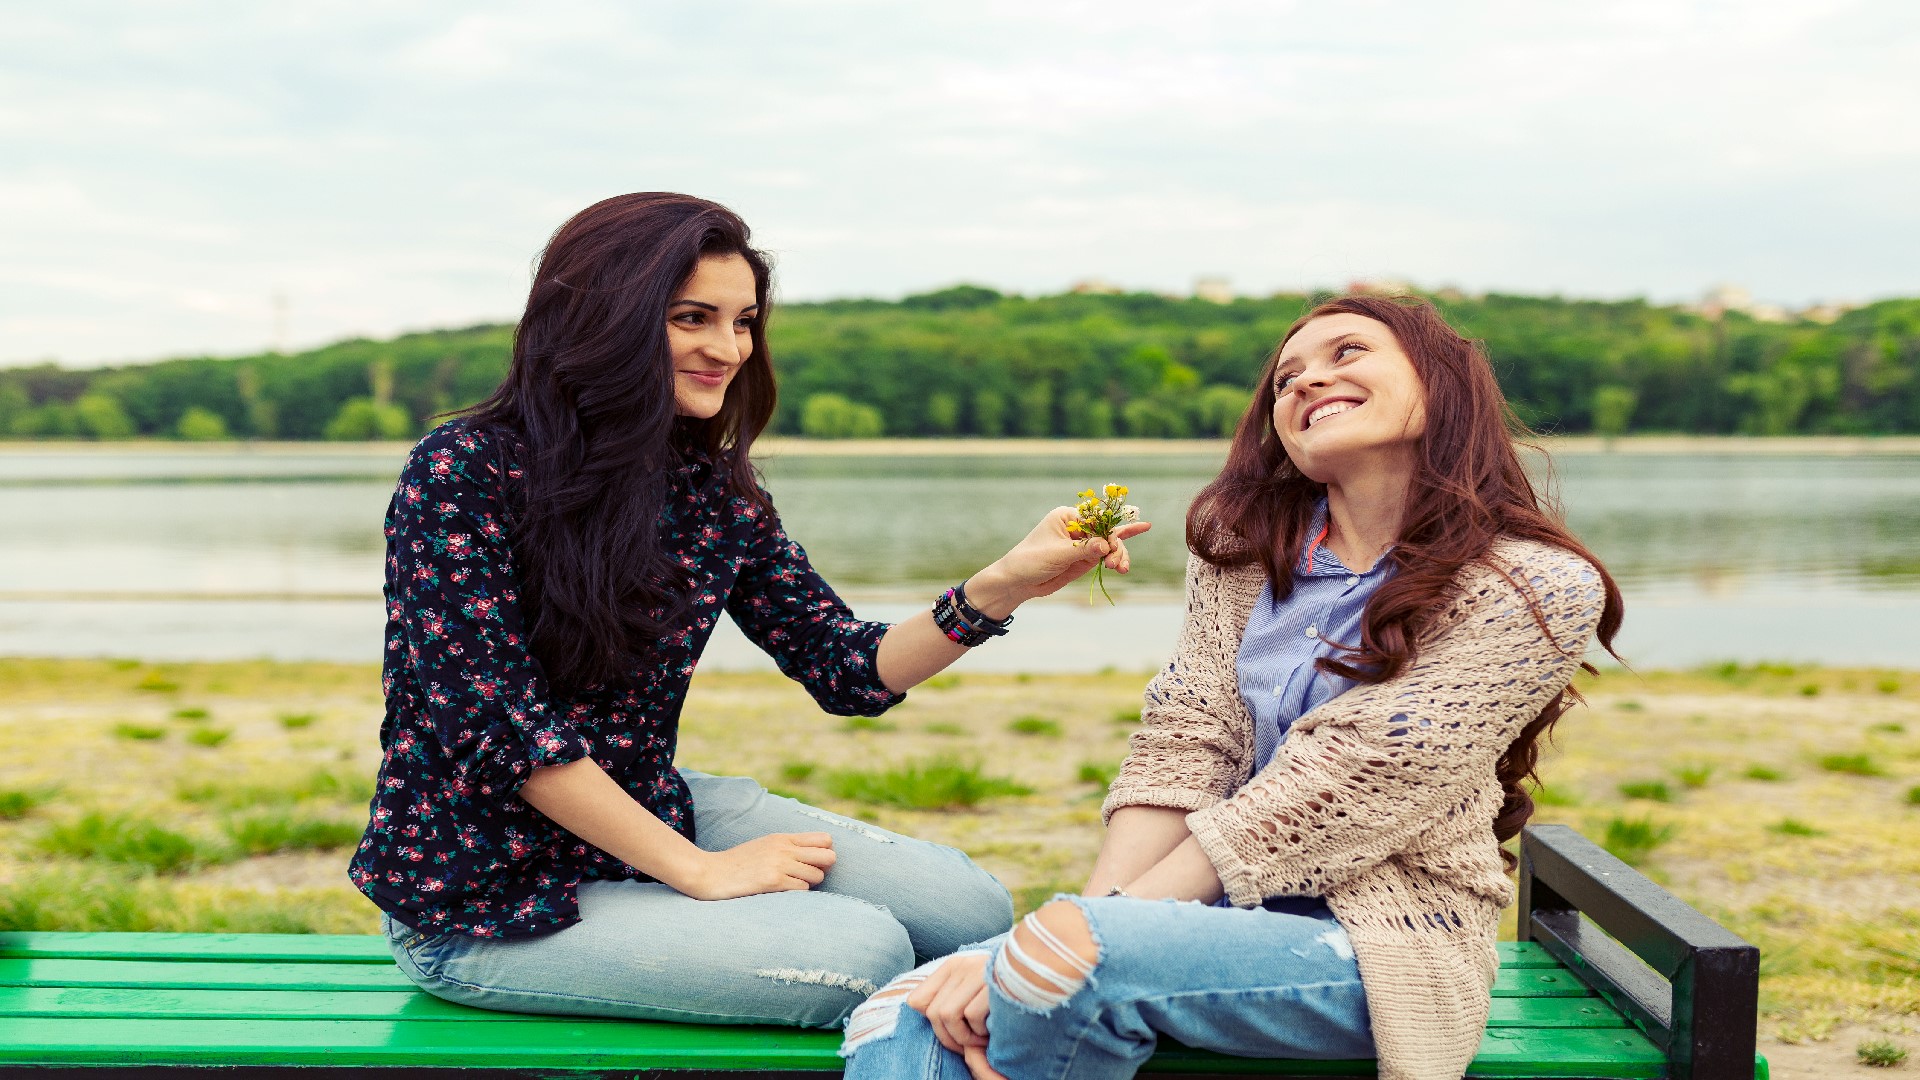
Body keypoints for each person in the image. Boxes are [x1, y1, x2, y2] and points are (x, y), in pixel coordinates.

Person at [347, 192, 1148, 1029]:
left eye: (743, 321)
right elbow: (505, 730)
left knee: (966, 907)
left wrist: (1005, 584)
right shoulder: (463, 469)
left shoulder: (712, 486)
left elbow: (846, 668)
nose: (727, 348)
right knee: (859, 954)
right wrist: (698, 871)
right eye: (693, 317)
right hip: (481, 890)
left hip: (647, 805)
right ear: (603, 319)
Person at [840, 295, 1624, 1080]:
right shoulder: (1243, 556)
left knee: (1061, 960)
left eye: (1346, 354)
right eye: (1286, 378)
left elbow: (1342, 786)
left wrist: (1082, 938)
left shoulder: (1533, 585)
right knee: (901, 1007)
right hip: (1196, 915)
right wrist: (1079, 927)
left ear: (1443, 384)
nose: (1307, 381)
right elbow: (1184, 742)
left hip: (1381, 942)